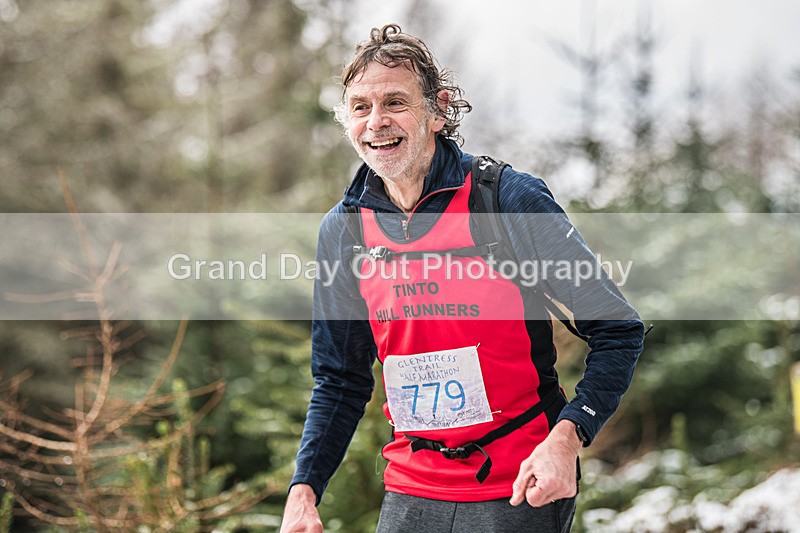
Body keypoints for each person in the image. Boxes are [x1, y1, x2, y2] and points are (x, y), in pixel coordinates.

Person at [280, 24, 644, 533]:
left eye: (395, 102)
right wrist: (304, 492)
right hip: (410, 488)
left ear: (439, 109)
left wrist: (567, 438)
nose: (376, 122)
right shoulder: (344, 230)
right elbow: (340, 378)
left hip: (518, 485)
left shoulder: (505, 201)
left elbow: (617, 329)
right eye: (359, 106)